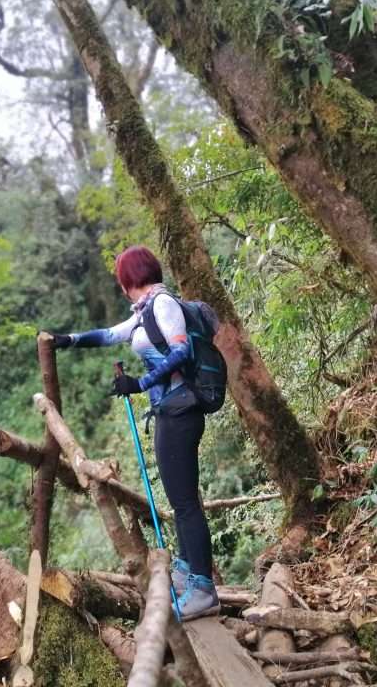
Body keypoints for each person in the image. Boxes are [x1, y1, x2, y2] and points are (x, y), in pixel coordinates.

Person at [49, 245, 220, 620]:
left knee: (186, 504)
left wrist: (140, 383)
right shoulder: (144, 313)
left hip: (182, 410)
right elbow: (111, 335)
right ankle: (188, 573)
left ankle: (204, 591)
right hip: (170, 412)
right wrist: (70, 341)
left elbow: (183, 351)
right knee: (182, 500)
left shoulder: (163, 305)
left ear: (128, 281)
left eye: (121, 281)